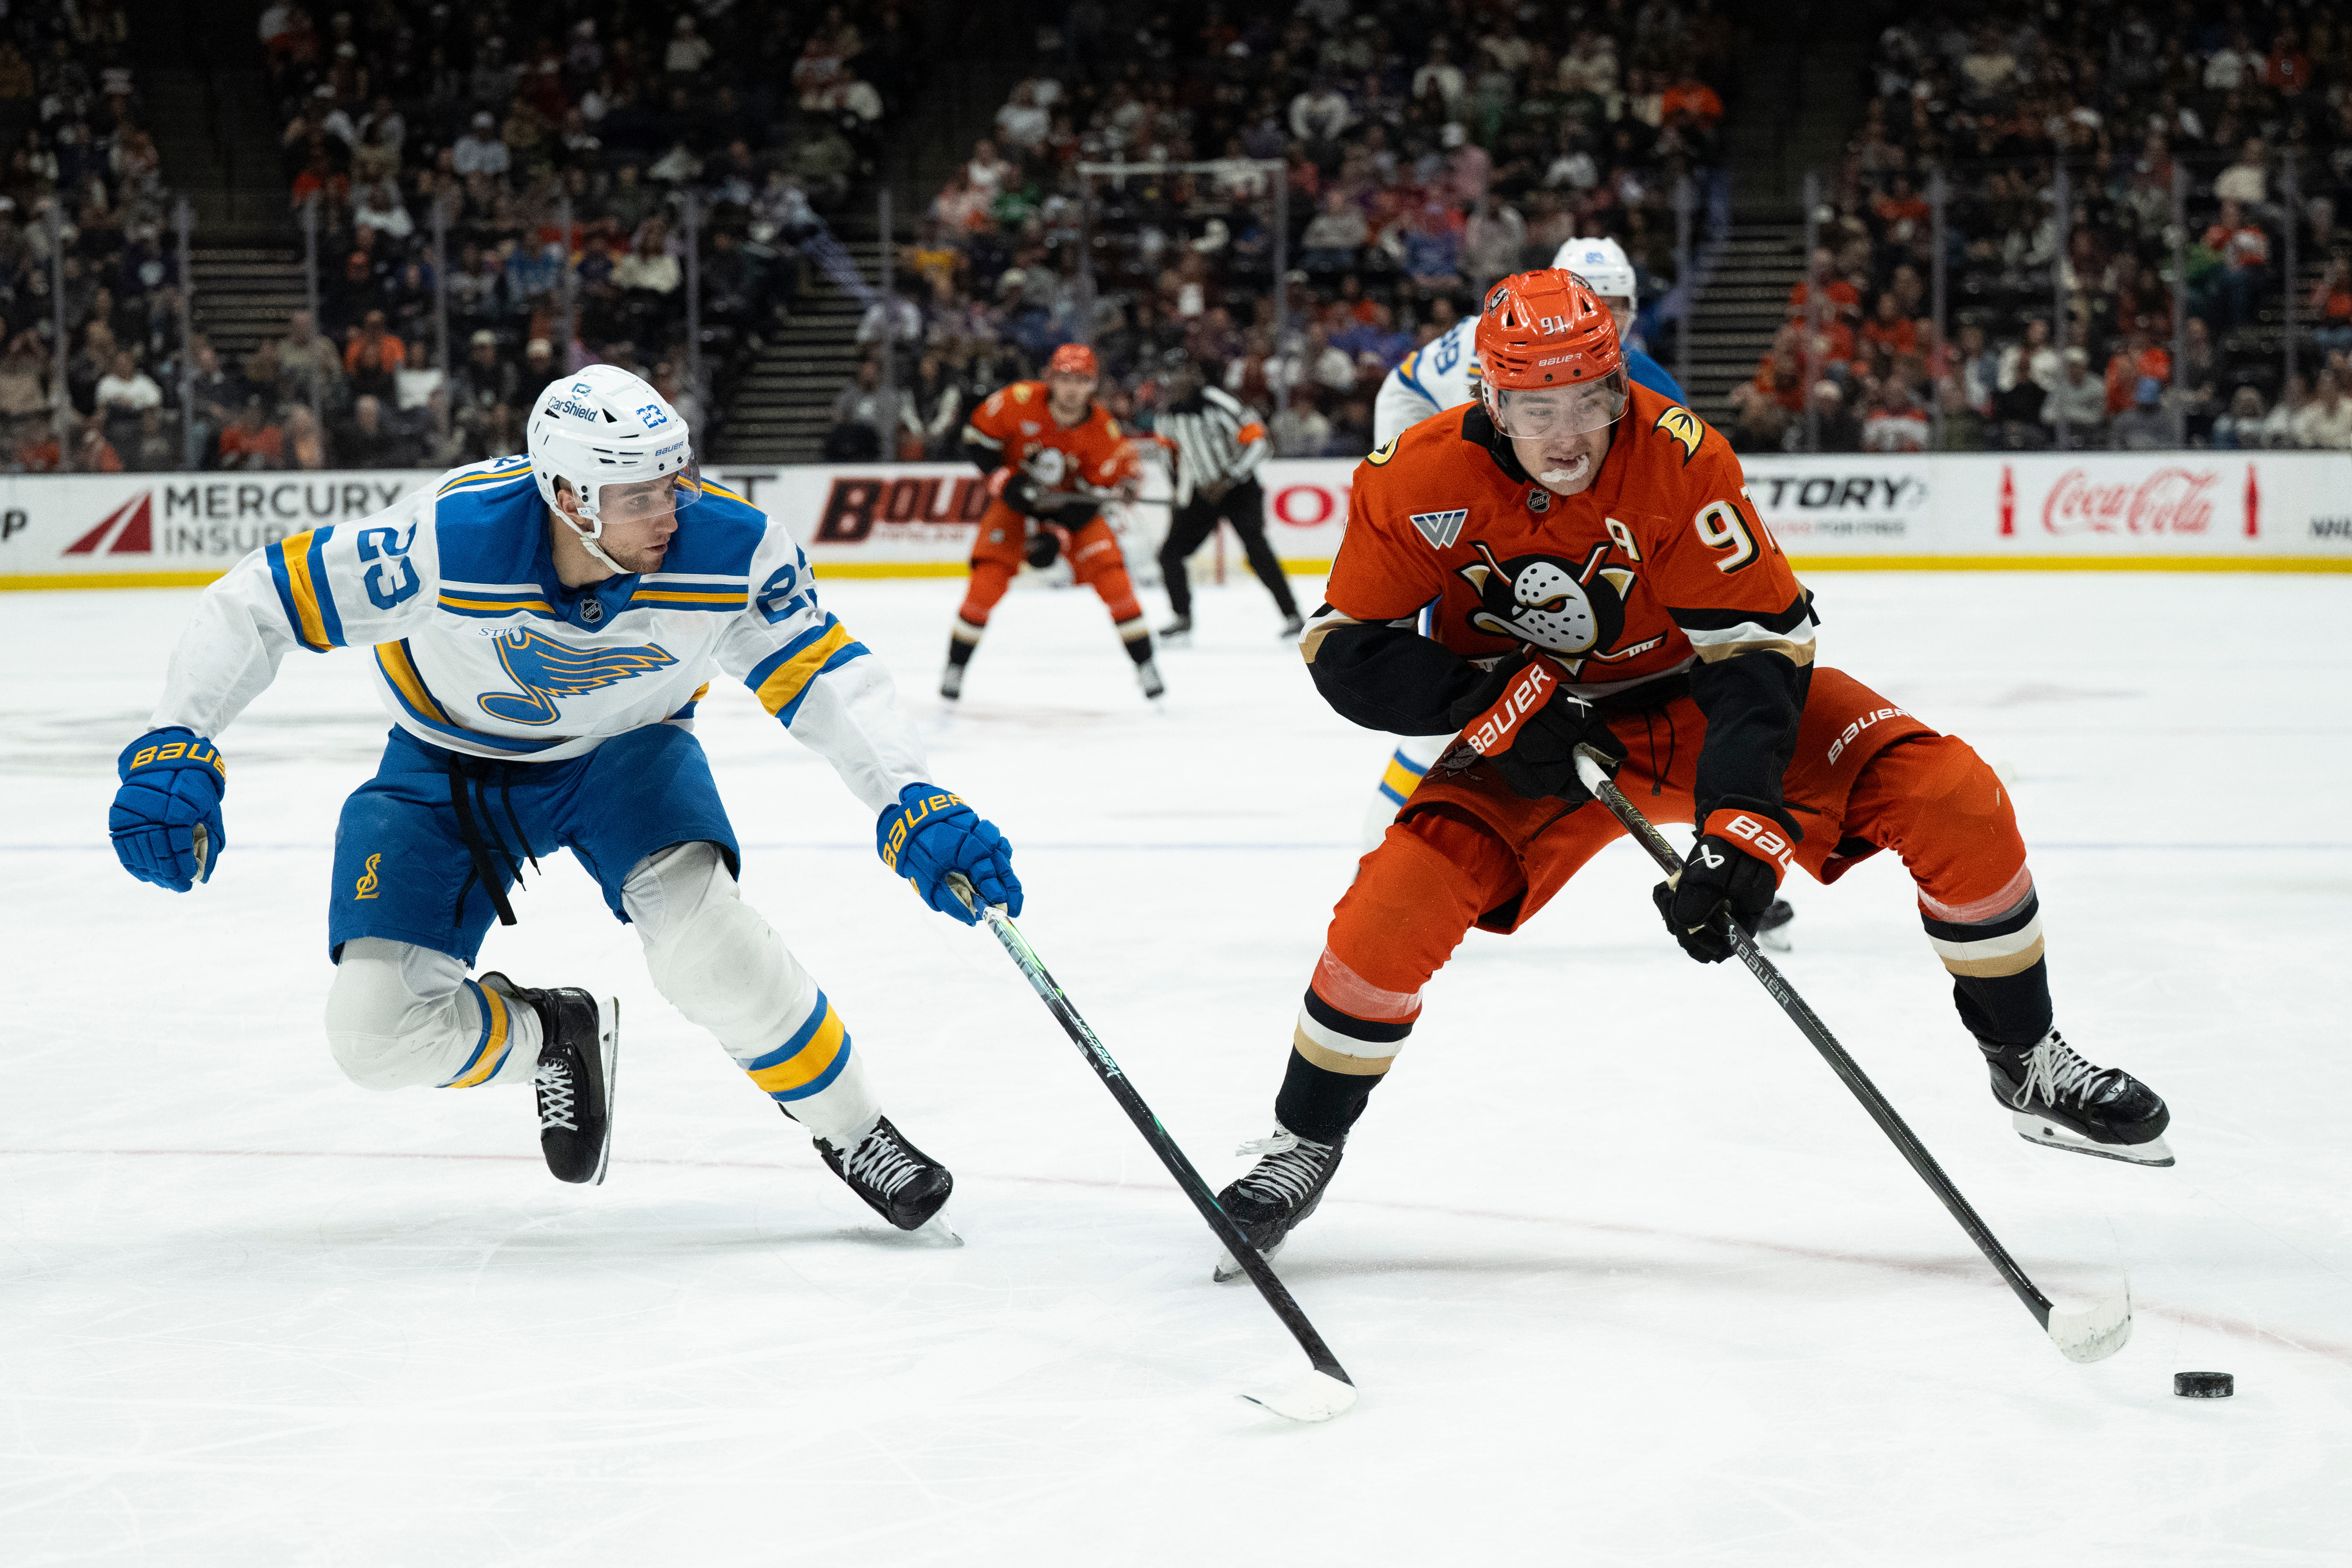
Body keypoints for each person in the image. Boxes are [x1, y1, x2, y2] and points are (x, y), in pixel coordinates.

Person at [1210, 270, 2173, 1272]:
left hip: (1699, 697)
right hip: (1536, 728)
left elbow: (1758, 658)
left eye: (1591, 399)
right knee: (1393, 901)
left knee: (1951, 796)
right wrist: (1480, 702)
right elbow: (1344, 651)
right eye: (1538, 407)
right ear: (1489, 399)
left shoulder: (1679, 456)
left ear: (1619, 384)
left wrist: (1742, 834)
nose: (1571, 432)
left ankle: (2026, 1059)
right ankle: (1303, 1142)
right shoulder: (1409, 478)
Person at [105, 364, 1021, 1233]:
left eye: (676, 481)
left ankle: (854, 1128)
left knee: (709, 952)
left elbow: (820, 674)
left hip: (625, 756)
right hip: (443, 767)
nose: (670, 511)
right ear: (568, 497)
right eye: (640, 496)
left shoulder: (727, 546)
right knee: (375, 1037)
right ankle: (553, 1032)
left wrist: (912, 798)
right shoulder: (447, 540)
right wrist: (176, 738)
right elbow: (260, 601)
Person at [1358, 237, 1695, 852]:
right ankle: (1377, 854)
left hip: (1562, 548)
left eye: (1618, 305)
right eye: (1596, 301)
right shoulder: (1487, 339)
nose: (1609, 320)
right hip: (1482, 534)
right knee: (1456, 707)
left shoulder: (1640, 380)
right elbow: (1405, 395)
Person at [943, 343, 1163, 703]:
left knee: (1115, 582)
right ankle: (956, 667)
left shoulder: (1103, 432)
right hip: (1015, 505)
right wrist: (1003, 480)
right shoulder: (1018, 400)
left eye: (1082, 380)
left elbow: (1090, 502)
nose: (1073, 389)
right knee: (985, 586)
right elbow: (976, 441)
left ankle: (1146, 666)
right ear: (1051, 379)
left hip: (1073, 511)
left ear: (1093, 385)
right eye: (1065, 379)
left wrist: (1056, 538)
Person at [1152, 354, 1298, 642]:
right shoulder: (1166, 415)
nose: (1175, 381)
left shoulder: (1220, 403)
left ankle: (1293, 615)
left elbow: (1259, 442)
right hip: (1200, 493)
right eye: (1169, 375)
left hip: (1239, 489)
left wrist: (1230, 477)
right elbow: (1170, 457)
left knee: (1257, 549)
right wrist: (1181, 493)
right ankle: (1182, 616)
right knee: (1170, 554)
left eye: (1181, 373)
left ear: (1195, 374)